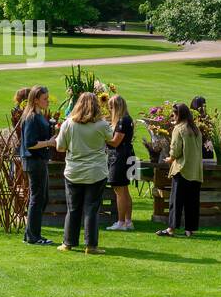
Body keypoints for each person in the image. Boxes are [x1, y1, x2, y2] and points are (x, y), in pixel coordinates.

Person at [55, 92, 114, 253]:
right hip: (96, 171)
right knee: (91, 209)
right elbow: (112, 139)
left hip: (74, 171)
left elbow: (59, 147)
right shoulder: (101, 125)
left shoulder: (68, 124)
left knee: (73, 208)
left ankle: (68, 243)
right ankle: (91, 245)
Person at [16, 86, 58, 245]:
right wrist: (49, 142)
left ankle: (31, 234)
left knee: (42, 198)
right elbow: (30, 143)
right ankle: (33, 237)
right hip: (34, 161)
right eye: (45, 99)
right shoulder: (32, 117)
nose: (47, 101)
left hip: (39, 160)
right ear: (35, 100)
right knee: (37, 198)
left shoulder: (38, 116)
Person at [157, 102, 202, 238]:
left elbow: (176, 150)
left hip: (182, 169)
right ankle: (190, 230)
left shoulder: (179, 129)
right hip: (195, 171)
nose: (172, 115)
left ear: (179, 114)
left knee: (176, 202)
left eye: (174, 113)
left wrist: (170, 158)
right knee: (192, 202)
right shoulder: (196, 129)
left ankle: (171, 229)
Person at [105, 95, 136, 231]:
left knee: (119, 190)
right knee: (125, 190)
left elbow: (115, 142)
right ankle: (128, 221)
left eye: (111, 107)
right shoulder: (127, 119)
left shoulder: (122, 120)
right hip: (128, 155)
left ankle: (121, 221)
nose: (110, 110)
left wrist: (102, 137)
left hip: (120, 157)